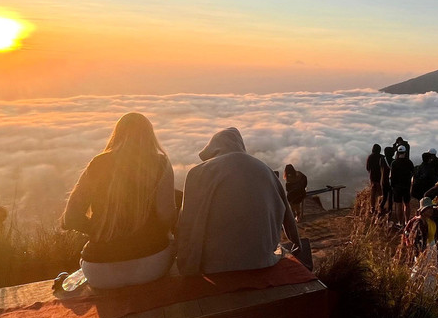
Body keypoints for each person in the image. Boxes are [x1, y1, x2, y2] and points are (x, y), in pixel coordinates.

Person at [63, 112, 177, 289]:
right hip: (151, 266)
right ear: (150, 136)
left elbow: (70, 218)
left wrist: (102, 231)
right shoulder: (160, 163)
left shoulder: (98, 163)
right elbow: (166, 215)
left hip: (98, 272)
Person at [176, 127, 302, 275]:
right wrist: (297, 243)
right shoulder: (265, 170)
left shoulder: (197, 172)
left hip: (213, 264)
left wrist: (185, 262)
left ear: (213, 149)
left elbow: (186, 222)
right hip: (263, 260)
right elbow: (287, 216)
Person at [389, 145, 415, 225]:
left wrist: (392, 186)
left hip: (397, 187)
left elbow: (391, 176)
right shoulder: (409, 162)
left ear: (397, 152)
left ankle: (400, 222)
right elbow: (413, 173)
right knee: (407, 204)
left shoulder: (394, 163)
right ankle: (407, 221)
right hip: (406, 186)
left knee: (398, 204)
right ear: (405, 152)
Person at [365, 144, 384, 215]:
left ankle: (372, 208)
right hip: (380, 177)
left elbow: (367, 168)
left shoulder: (370, 157)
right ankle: (380, 207)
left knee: (373, 193)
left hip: (372, 177)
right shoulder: (382, 157)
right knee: (380, 193)